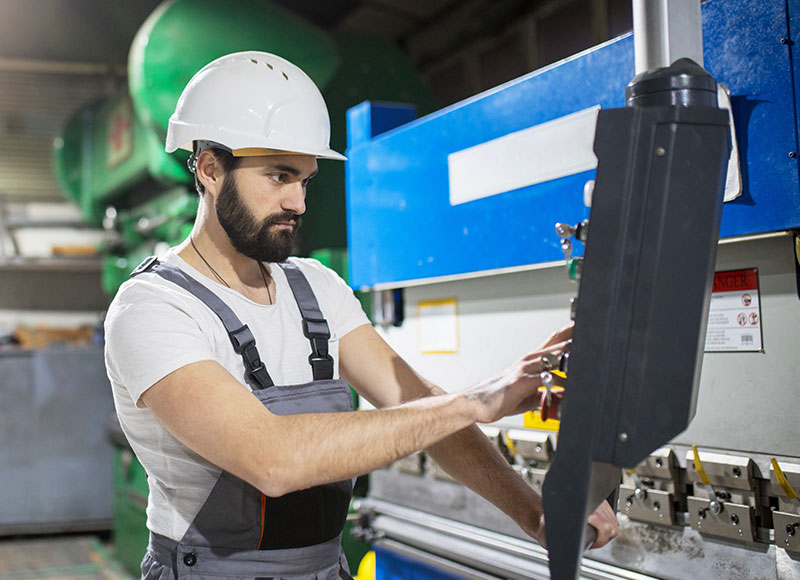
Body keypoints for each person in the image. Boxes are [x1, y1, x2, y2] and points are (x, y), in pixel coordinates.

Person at [104, 51, 619, 580]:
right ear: (211, 168)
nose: (298, 203)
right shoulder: (154, 308)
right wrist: (473, 402)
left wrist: (534, 514)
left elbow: (421, 408)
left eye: (305, 180)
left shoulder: (315, 287)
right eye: (279, 176)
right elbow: (273, 461)